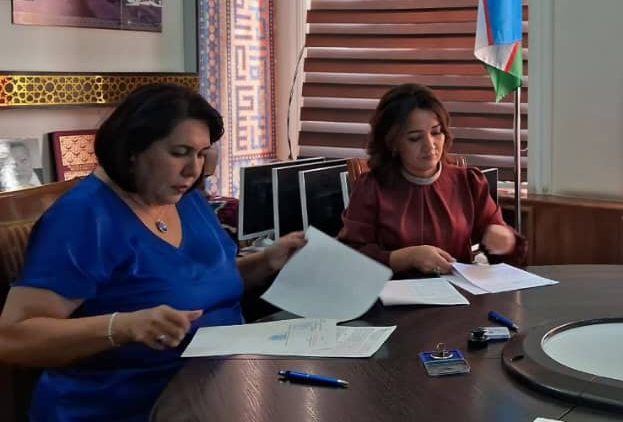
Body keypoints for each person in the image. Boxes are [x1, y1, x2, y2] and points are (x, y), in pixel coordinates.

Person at [0, 84, 306, 422]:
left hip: (223, 384)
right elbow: (12, 337)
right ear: (133, 150)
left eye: (201, 154)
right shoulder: (82, 219)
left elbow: (199, 283)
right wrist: (124, 326)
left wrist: (265, 261)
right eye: (180, 152)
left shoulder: (185, 198)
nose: (193, 170)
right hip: (128, 405)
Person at [339, 83, 525, 276]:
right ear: (392, 142)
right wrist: (406, 258)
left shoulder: (469, 182)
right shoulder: (371, 187)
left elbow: (505, 256)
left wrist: (506, 242)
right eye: (414, 138)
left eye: (436, 132)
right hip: (396, 291)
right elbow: (350, 257)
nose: (430, 146)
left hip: (457, 290)